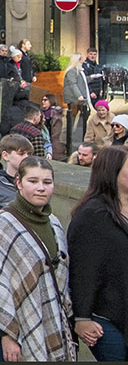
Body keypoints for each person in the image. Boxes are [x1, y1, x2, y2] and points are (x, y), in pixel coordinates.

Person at [0, 156, 75, 361]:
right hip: (4, 336)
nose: (41, 188)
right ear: (19, 183)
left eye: (47, 182)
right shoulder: (1, 223)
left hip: (45, 323)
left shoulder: (54, 224)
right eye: (33, 181)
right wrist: (8, 333)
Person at [68, 143, 128, 361]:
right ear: (112, 173)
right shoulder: (92, 215)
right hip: (105, 318)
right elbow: (82, 270)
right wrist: (82, 317)